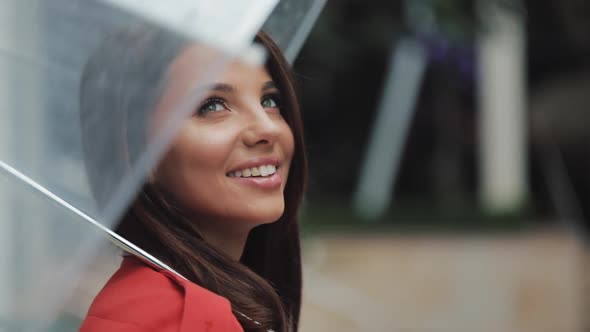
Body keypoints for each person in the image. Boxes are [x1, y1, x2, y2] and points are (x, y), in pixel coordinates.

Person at [77, 23, 307, 332]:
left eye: (269, 101)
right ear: (137, 154)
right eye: (212, 105)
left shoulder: (170, 303)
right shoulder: (179, 317)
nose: (266, 128)